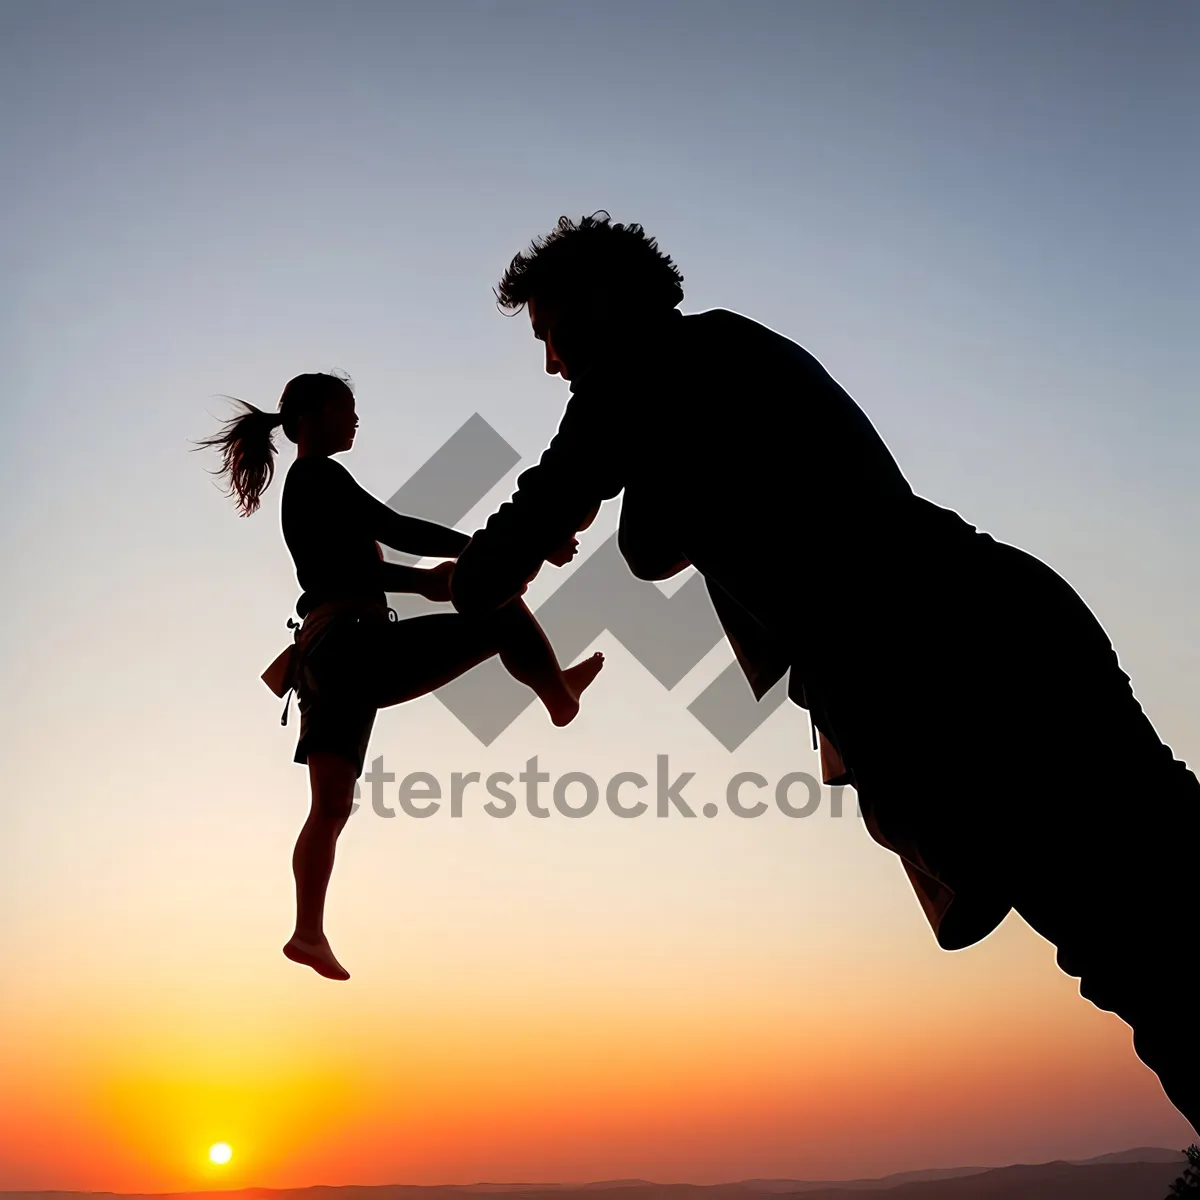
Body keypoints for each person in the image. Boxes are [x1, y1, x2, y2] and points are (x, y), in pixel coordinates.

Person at [448, 213, 1199, 1132]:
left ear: (603, 304)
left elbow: (548, 510)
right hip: (1002, 613)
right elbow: (650, 523)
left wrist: (472, 577)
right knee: (1173, 890)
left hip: (939, 671)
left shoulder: (642, 372)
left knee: (1139, 949)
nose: (556, 364)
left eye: (554, 335)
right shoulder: (733, 353)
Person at [199, 371, 603, 981]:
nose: (357, 420)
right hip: (351, 650)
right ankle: (557, 691)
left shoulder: (308, 487)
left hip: (323, 660)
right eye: (347, 409)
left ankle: (307, 932)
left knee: (330, 805)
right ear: (310, 418)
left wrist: (426, 582)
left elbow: (344, 572)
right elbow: (397, 529)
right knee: (496, 608)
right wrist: (487, 551)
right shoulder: (319, 475)